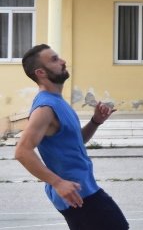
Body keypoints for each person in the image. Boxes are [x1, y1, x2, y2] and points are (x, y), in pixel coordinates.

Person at [15, 44, 129, 230]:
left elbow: (74, 143)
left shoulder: (57, 101)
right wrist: (57, 182)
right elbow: (22, 152)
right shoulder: (45, 108)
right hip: (77, 195)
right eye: (54, 60)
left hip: (83, 190)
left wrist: (95, 122)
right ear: (41, 73)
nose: (62, 61)